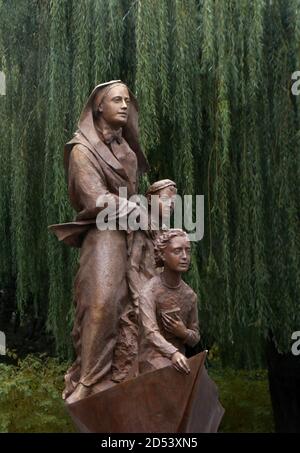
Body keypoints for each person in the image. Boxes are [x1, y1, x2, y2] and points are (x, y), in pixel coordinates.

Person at [49, 80, 148, 403]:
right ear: (98, 107)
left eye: (127, 101)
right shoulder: (82, 149)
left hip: (132, 235)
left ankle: (136, 368)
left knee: (139, 305)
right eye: (116, 100)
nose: (124, 105)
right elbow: (94, 197)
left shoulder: (128, 152)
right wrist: (134, 208)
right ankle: (90, 379)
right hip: (103, 232)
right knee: (102, 303)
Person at [111, 179, 177, 382]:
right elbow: (132, 267)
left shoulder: (166, 230)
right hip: (145, 297)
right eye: (166, 199)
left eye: (174, 200)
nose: (171, 204)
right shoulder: (144, 226)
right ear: (150, 200)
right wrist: (141, 300)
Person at [138, 229, 200, 375]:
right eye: (177, 251)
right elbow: (150, 333)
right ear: (162, 255)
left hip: (180, 360)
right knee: (173, 375)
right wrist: (173, 353)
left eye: (187, 251)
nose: (185, 257)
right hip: (152, 358)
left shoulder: (190, 295)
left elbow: (195, 338)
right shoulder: (149, 292)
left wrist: (183, 333)